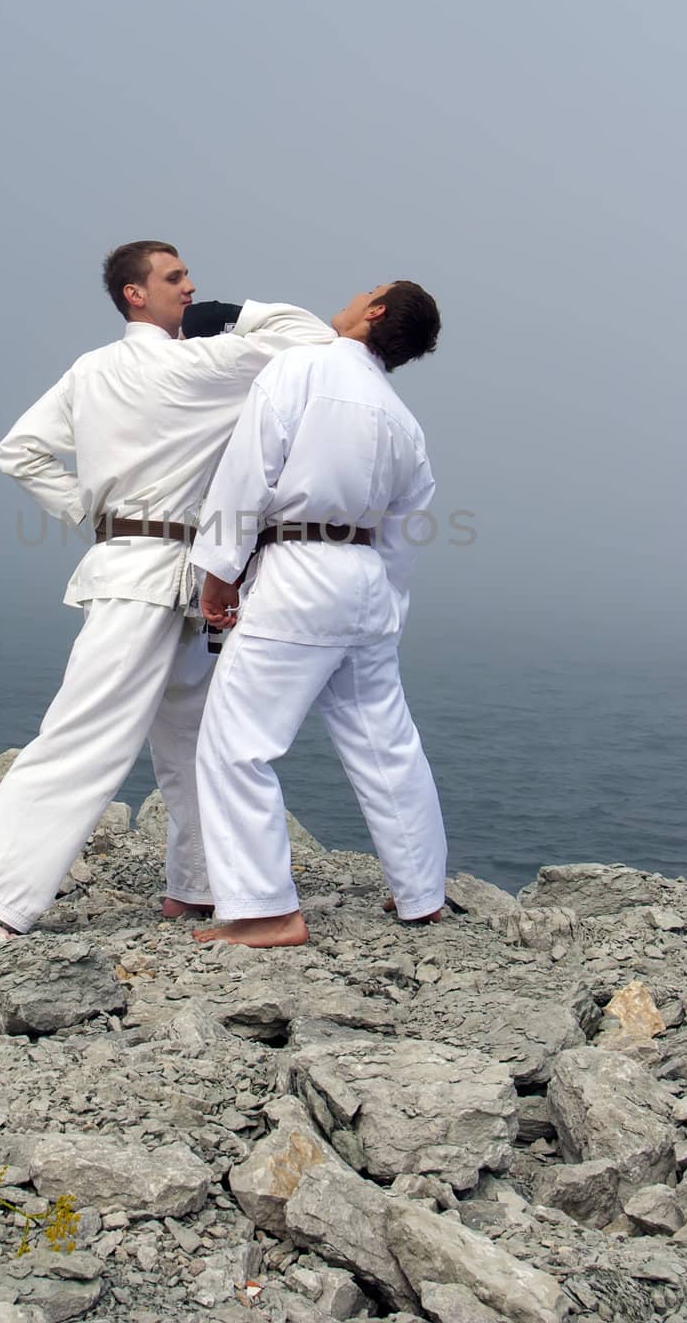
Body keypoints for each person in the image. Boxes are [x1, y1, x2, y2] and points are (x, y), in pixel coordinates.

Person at [0, 241, 334, 944]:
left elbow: (18, 450)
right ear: (134, 295)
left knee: (197, 734)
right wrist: (236, 314)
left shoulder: (91, 369)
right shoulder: (200, 362)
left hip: (142, 566)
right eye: (174, 277)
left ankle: (201, 884)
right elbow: (313, 339)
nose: (191, 285)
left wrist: (90, 510)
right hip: (155, 573)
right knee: (86, 732)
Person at [188, 280, 447, 947]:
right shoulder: (402, 420)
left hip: (299, 572)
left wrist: (218, 575)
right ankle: (421, 894)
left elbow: (248, 472)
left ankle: (265, 910)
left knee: (234, 742)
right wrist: (384, 605)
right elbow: (403, 533)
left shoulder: (302, 366)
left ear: (375, 313)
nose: (351, 296)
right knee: (385, 742)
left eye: (365, 291)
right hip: (364, 581)